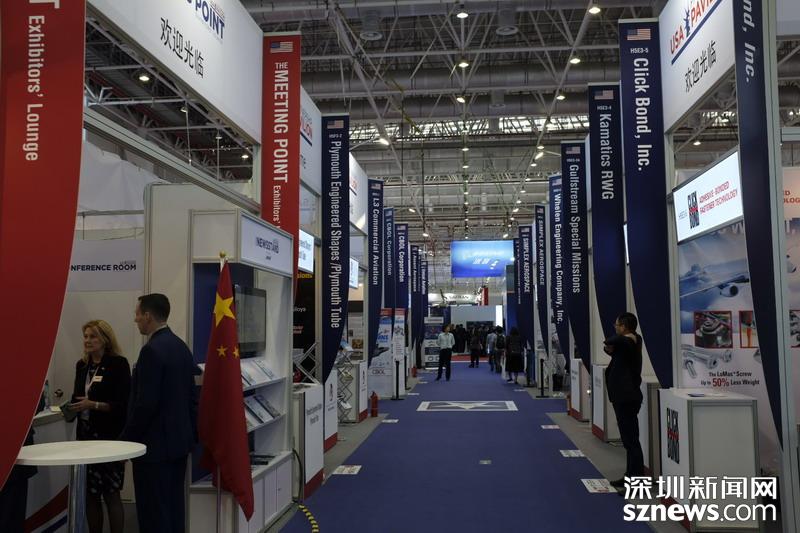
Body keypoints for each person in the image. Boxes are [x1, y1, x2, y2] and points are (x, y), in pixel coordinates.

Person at [121, 294, 199, 533]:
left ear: (147, 315)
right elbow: (191, 398)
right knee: (174, 509)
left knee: (154, 514)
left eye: (137, 314)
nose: (135, 320)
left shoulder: (151, 351)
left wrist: (126, 440)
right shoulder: (181, 347)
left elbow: (146, 403)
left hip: (154, 450)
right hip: (178, 445)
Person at [70, 320, 131, 533]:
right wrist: (70, 408)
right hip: (85, 438)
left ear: (105, 339)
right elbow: (77, 397)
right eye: (85, 336)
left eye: (93, 336)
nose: (87, 341)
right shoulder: (82, 365)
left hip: (109, 438)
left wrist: (93, 405)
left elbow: (122, 406)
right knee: (90, 494)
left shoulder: (118, 364)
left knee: (111, 493)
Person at [603, 312, 645, 489]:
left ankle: (637, 482)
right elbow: (610, 347)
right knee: (628, 441)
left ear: (624, 327)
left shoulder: (630, 341)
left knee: (631, 441)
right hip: (624, 396)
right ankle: (629, 476)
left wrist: (622, 338)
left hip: (627, 397)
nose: (615, 327)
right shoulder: (628, 343)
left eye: (617, 325)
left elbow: (610, 341)